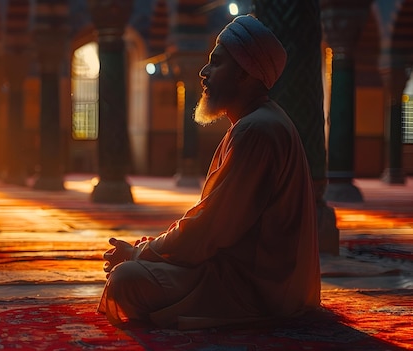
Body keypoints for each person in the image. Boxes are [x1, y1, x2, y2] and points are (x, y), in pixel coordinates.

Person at [98, 14, 321, 330]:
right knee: (138, 272)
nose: (203, 72)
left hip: (256, 289)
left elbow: (211, 230)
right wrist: (150, 251)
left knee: (127, 280)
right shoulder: (255, 123)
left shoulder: (256, 130)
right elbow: (213, 224)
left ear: (243, 73)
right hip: (253, 276)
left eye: (216, 64)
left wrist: (139, 254)